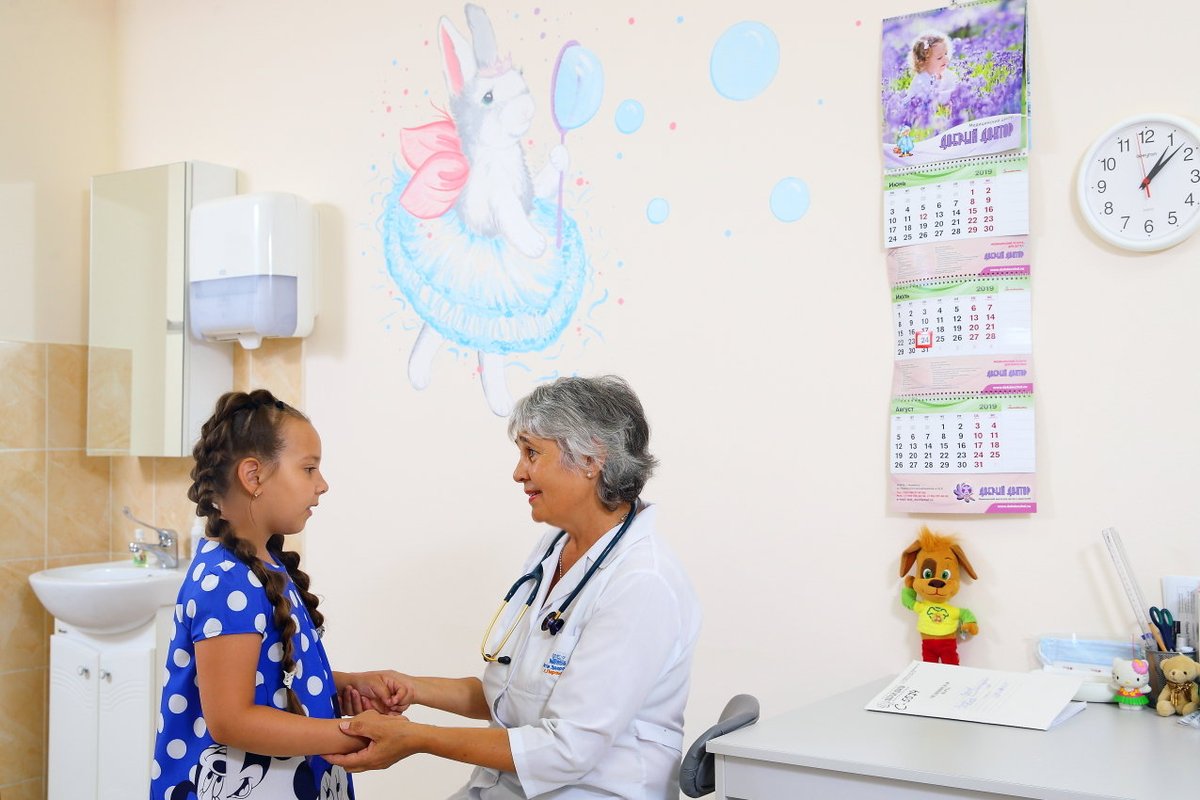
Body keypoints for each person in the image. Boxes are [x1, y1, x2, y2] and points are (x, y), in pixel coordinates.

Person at [327, 375, 702, 799]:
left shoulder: (642, 582)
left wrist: (418, 738)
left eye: (532, 453)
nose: (518, 473)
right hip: (506, 786)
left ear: (591, 458)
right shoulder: (556, 546)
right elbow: (510, 696)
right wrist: (410, 687)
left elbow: (568, 748)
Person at [151, 389, 406, 800]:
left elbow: (266, 677)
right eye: (309, 469)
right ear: (253, 477)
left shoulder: (262, 566)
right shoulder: (226, 581)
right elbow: (232, 721)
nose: (322, 485)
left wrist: (342, 684)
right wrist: (354, 733)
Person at [906, 31, 958, 107]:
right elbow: (930, 100)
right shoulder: (921, 80)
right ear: (923, 62)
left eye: (946, 53)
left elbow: (956, 87)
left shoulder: (948, 74)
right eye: (939, 58)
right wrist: (951, 94)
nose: (946, 59)